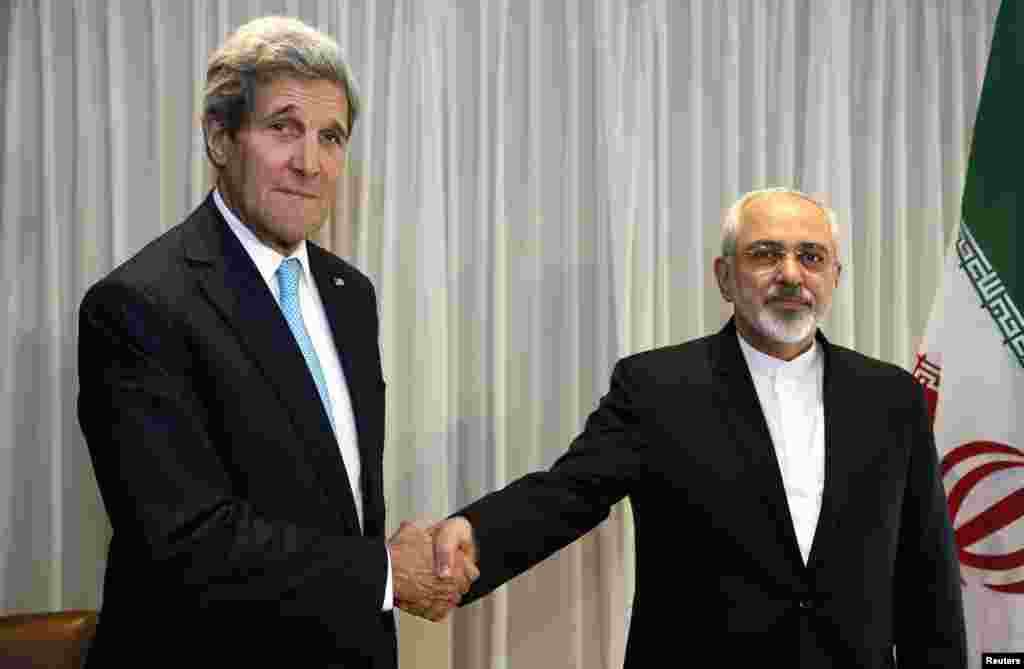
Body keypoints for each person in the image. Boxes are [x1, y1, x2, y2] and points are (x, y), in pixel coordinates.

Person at [77, 17, 475, 668]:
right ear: (219, 137)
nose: (309, 163)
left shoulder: (350, 293)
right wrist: (382, 570)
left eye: (331, 137)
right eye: (283, 127)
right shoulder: (139, 304)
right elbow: (187, 543)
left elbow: (327, 499)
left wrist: (395, 556)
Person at [432, 188, 966, 667]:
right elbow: (569, 493)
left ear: (834, 278)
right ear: (725, 277)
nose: (790, 273)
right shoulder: (657, 386)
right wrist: (477, 535)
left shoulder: (891, 396)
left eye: (811, 257)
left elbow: (926, 571)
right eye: (765, 254)